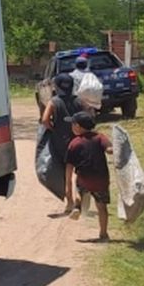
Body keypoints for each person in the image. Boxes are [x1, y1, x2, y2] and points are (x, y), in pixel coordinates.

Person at [65, 111, 114, 241]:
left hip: (84, 179)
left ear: (78, 126)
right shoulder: (100, 137)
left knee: (80, 188)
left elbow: (69, 168)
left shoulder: (74, 143)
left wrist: (68, 187)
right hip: (101, 179)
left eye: (72, 124)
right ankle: (103, 234)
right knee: (101, 207)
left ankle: (78, 204)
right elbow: (109, 150)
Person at [40, 73, 80, 215]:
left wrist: (53, 128)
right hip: (78, 140)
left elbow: (45, 120)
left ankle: (70, 202)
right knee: (79, 171)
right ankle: (79, 198)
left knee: (67, 173)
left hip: (61, 142)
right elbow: (89, 115)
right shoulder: (78, 101)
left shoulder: (54, 102)